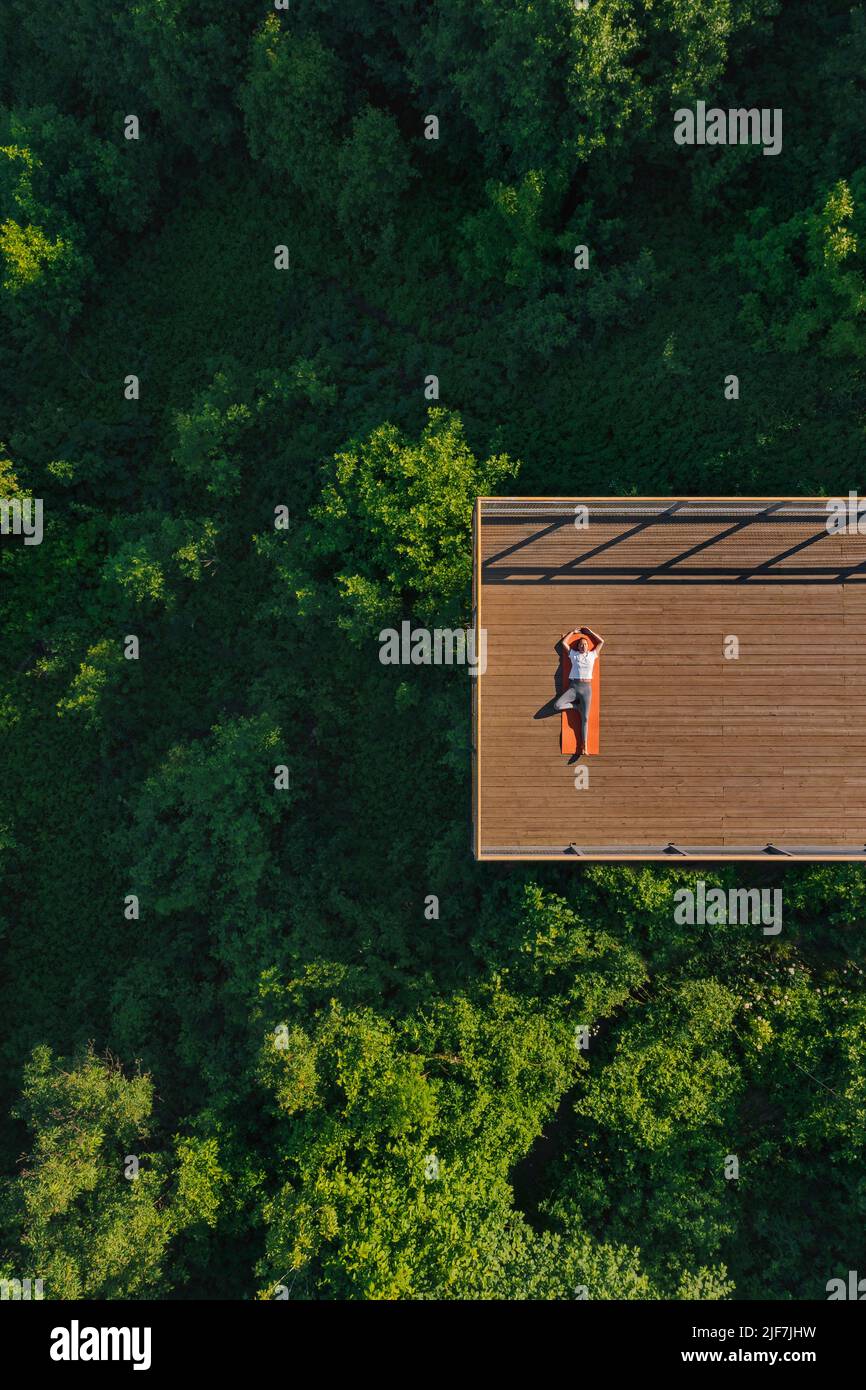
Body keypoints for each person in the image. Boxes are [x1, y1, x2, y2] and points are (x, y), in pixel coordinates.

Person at [554, 626, 605, 750]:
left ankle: (584, 746)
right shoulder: (574, 655)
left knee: (585, 718)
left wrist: (590, 632)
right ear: (578, 647)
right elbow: (564, 643)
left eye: (585, 644)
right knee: (557, 705)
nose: (583, 646)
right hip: (574, 687)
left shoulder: (593, 655)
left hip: (586, 689)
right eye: (581, 644)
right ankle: (576, 707)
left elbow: (601, 642)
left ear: (588, 646)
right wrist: (572, 632)